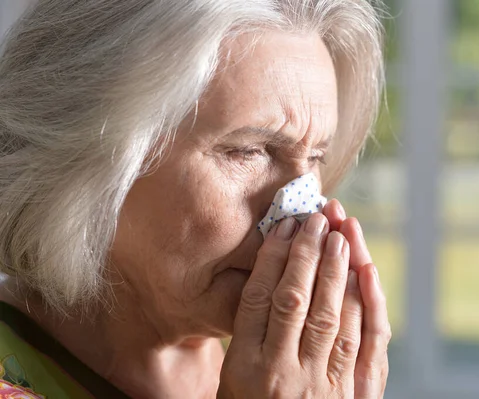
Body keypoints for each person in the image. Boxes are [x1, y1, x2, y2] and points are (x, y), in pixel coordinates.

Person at [0, 0, 390, 397]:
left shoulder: (282, 374)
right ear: (94, 159)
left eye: (316, 157)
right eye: (249, 151)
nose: (307, 211)